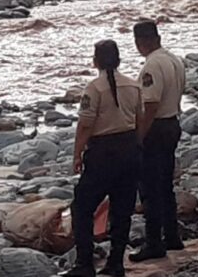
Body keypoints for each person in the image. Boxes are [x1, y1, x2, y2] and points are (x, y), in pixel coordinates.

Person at [64, 40, 144, 277]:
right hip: (129, 150)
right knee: (122, 209)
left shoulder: (94, 88)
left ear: (96, 60)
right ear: (118, 60)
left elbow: (85, 125)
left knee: (82, 207)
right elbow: (139, 120)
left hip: (103, 153)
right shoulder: (133, 86)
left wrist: (77, 153)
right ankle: (116, 262)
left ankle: (84, 263)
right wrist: (136, 147)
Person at [129, 21, 186, 263]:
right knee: (165, 184)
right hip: (172, 122)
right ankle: (172, 236)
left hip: (157, 128)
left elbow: (150, 104)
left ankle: (154, 243)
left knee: (150, 188)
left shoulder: (152, 65)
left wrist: (139, 136)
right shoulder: (174, 60)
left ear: (141, 42)